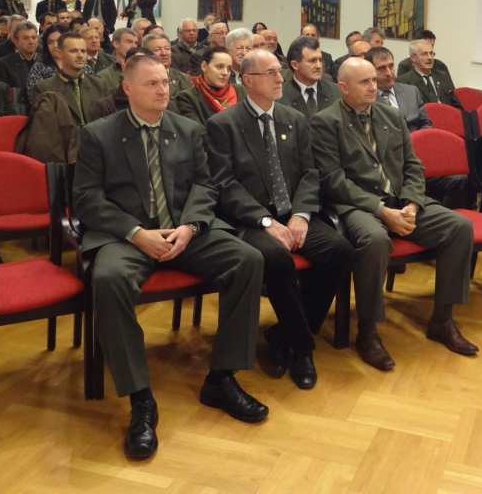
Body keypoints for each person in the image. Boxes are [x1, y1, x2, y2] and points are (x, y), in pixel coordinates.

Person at [74, 54, 269, 459]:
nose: (163, 89)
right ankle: (140, 398)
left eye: (165, 82)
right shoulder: (98, 134)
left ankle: (222, 378)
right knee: (108, 279)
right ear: (128, 88)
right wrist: (136, 233)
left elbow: (205, 185)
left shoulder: (188, 129)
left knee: (247, 259)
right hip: (127, 236)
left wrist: (191, 226)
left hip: (184, 232)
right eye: (152, 84)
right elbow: (87, 199)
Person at [310, 58, 478, 371]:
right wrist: (382, 211)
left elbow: (413, 165)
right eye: (365, 82)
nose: (373, 86)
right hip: (359, 205)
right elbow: (333, 181)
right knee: (374, 240)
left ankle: (443, 319)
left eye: (374, 80)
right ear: (343, 87)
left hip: (401, 199)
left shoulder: (391, 115)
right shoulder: (325, 122)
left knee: (459, 227)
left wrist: (412, 203)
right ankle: (368, 332)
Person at [206, 49, 354, 388]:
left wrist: (301, 215)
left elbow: (310, 173)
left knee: (340, 251)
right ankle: (302, 348)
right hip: (251, 219)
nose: (279, 78)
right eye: (270, 72)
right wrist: (265, 221)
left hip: (293, 212)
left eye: (279, 71)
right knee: (276, 257)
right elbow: (225, 184)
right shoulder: (223, 125)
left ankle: (285, 334)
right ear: (247, 80)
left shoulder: (294, 119)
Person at [33, 32, 104, 125]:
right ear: (59, 53)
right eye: (73, 51)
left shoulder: (99, 84)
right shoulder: (44, 88)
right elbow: (45, 127)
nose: (80, 55)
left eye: (83, 51)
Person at [367, 46, 431, 131]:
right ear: (370, 71)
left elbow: (426, 123)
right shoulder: (366, 98)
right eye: (381, 68)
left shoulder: (411, 91)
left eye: (391, 66)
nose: (389, 73)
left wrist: (418, 138)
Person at [175, 46, 240, 125]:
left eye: (229, 69)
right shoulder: (187, 98)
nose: (225, 73)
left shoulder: (240, 91)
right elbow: (196, 130)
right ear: (204, 66)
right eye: (219, 67)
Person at [279, 36, 339, 118]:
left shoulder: (336, 92)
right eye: (312, 61)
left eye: (320, 60)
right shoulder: (280, 95)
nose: (319, 66)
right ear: (295, 65)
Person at [397, 39, 460, 107]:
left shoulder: (442, 76)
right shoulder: (404, 82)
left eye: (431, 53)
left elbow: (456, 104)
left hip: (449, 113)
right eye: (424, 54)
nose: (430, 58)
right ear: (413, 58)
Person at [0, 21, 40, 105]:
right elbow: (4, 96)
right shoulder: (4, 64)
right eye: (26, 38)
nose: (31, 41)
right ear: (15, 41)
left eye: (34, 37)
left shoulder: (46, 62)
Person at [142, 32, 193, 100]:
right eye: (157, 50)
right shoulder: (141, 79)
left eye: (167, 49)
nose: (164, 53)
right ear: (145, 54)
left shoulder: (183, 78)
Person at [25, 24, 66, 104]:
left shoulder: (81, 65)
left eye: (59, 41)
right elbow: (34, 97)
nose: (55, 45)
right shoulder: (39, 67)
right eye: (50, 42)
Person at [95, 27, 139, 94]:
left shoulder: (142, 69)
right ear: (116, 44)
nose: (134, 46)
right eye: (129, 42)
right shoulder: (104, 75)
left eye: (136, 43)